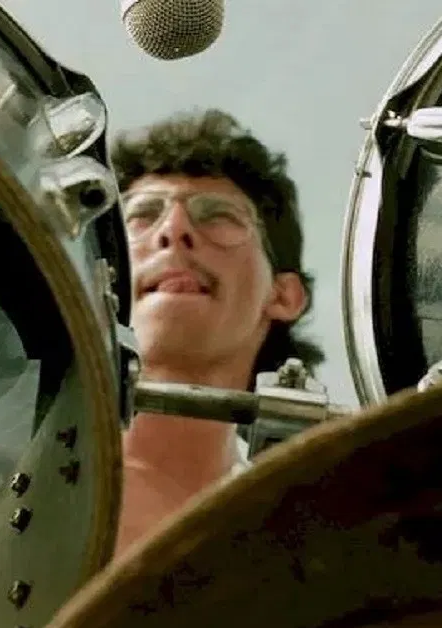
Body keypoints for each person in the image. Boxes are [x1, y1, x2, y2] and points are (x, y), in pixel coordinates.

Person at [110, 109, 324, 555]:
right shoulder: (3, 478)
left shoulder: (313, 535)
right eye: (141, 215)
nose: (174, 230)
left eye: (218, 216)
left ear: (283, 295)